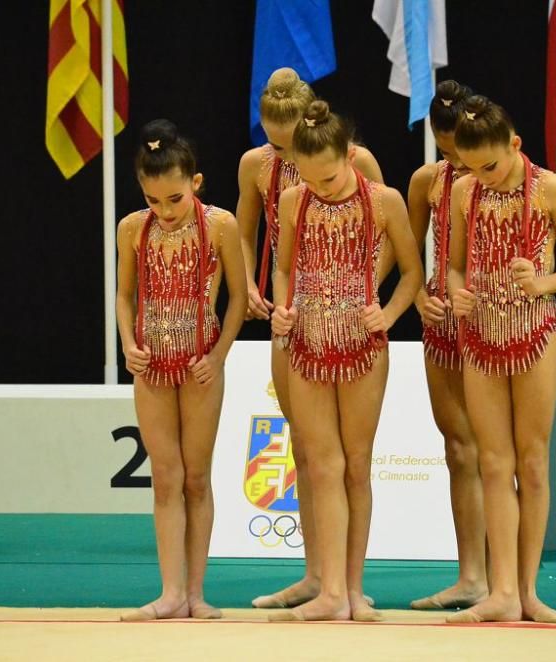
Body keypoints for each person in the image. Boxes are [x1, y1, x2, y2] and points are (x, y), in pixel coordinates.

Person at [236, 68, 385, 609]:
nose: (284, 156)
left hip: (347, 315)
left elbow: (386, 233)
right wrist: (254, 289)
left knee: (350, 457)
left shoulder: (357, 160)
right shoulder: (257, 165)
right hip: (293, 316)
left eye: (290, 144)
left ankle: (350, 585)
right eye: (274, 145)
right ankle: (316, 577)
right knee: (308, 448)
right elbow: (246, 231)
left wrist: (370, 296)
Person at [270, 100, 423, 621]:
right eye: (311, 181)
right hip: (307, 347)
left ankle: (354, 591)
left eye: (330, 178)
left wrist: (389, 313)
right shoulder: (295, 201)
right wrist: (283, 308)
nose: (321, 189)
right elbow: (284, 267)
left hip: (362, 348)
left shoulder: (384, 201)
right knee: (323, 466)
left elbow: (411, 272)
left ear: (349, 156)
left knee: (357, 468)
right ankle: (330, 592)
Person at [445, 95, 556, 623]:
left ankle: (529, 591)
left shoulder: (551, 189)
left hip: (534, 332)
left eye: (491, 165)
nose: (481, 176)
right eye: (470, 167)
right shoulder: (465, 193)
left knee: (531, 462)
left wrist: (541, 282)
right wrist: (457, 292)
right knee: (493, 462)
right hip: (480, 335)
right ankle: (501, 592)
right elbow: (455, 267)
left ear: (515, 144)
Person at [116, 119, 247, 621]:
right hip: (151, 368)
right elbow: (125, 296)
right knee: (165, 478)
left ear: (195, 183)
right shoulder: (132, 229)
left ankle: (195, 593)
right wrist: (129, 345)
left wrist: (218, 355)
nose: (164, 211)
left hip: (199, 369)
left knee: (196, 478)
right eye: (153, 200)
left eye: (174, 199)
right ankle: (170, 593)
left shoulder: (220, 225)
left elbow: (237, 297)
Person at [406, 80, 488, 611]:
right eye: (447, 150)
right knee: (459, 450)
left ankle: (509, 578)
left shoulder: (500, 177)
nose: (457, 159)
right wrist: (417, 295)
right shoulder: (426, 181)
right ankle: (472, 576)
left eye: (463, 148)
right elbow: (406, 251)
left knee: (496, 454)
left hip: (495, 321)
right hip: (442, 323)